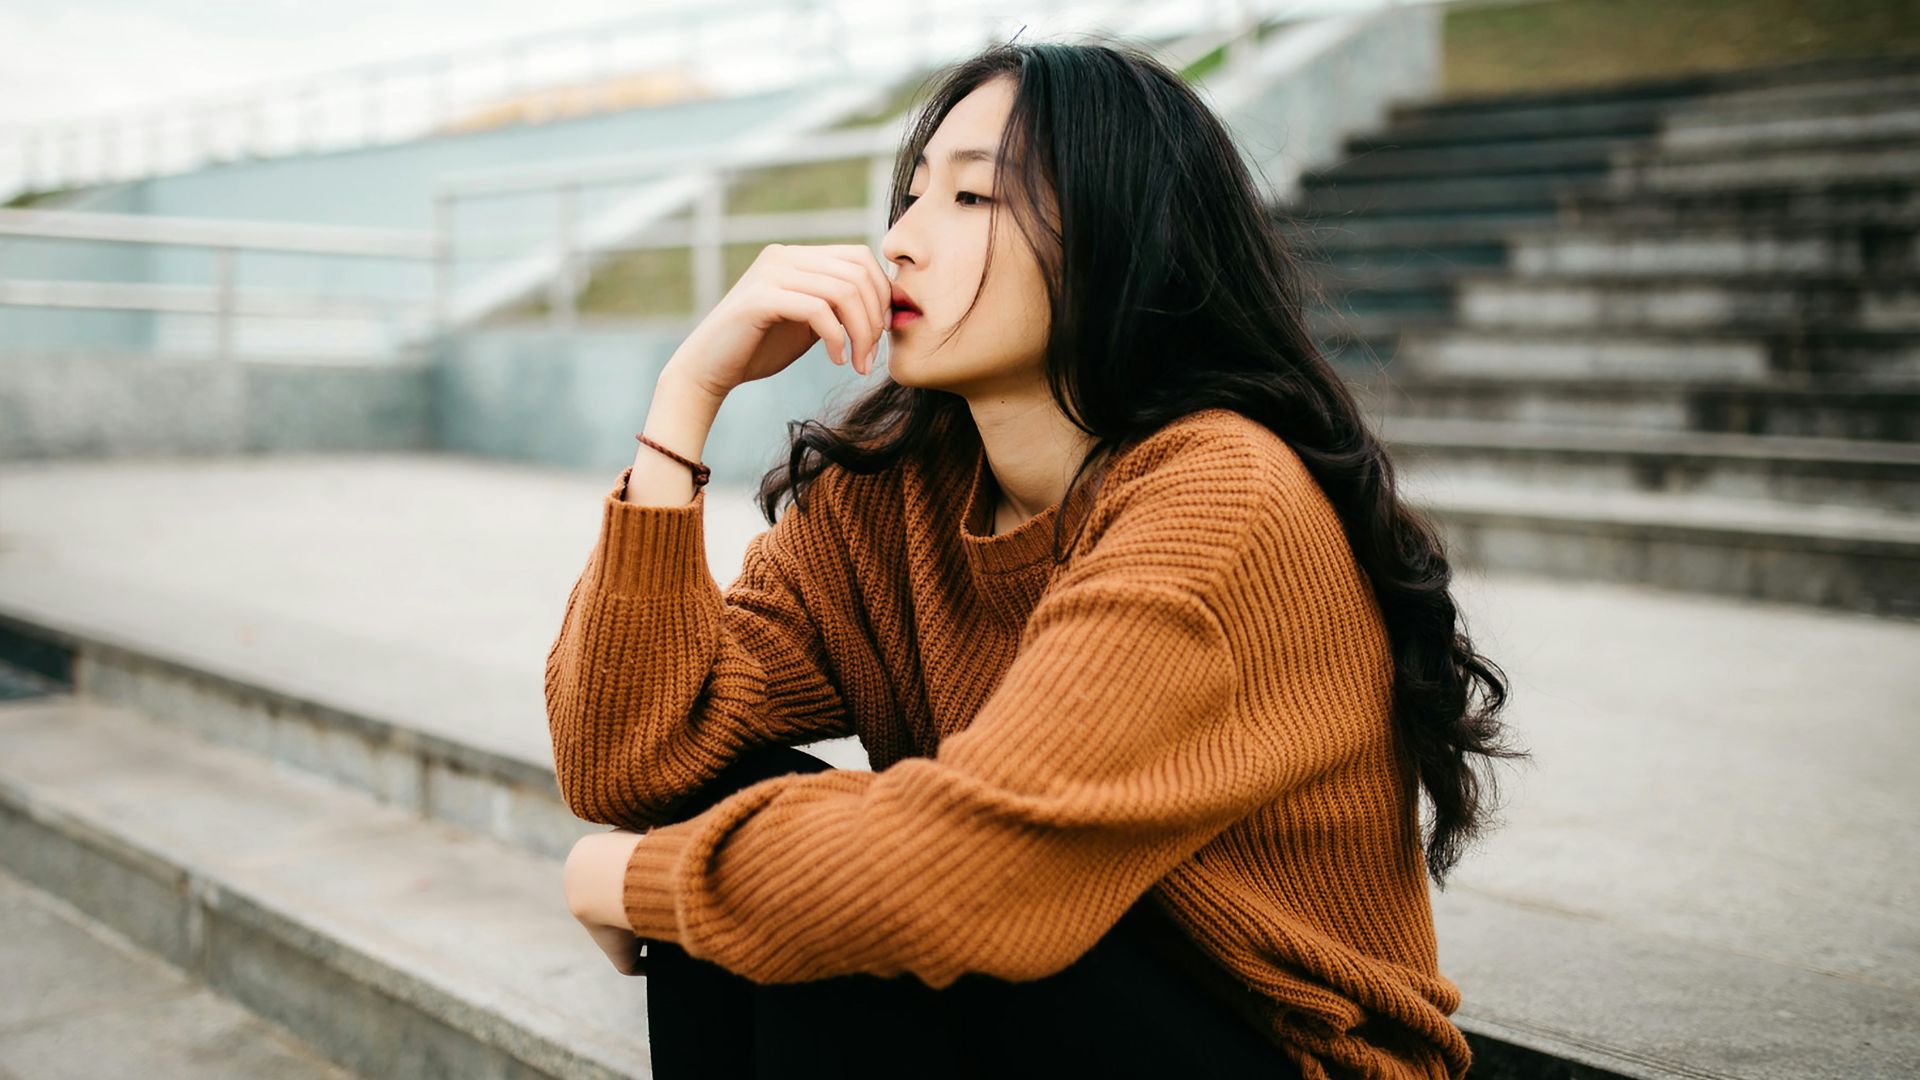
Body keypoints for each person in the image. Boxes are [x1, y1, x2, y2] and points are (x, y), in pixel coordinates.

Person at [549, 38, 1524, 1080]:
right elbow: (632, 758)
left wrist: (630, 882)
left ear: (1119, 239)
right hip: (1042, 1002)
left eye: (973, 200)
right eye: (912, 197)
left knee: (855, 901)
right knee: (758, 832)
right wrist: (683, 402)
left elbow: (969, 874)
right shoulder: (890, 494)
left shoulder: (1219, 495)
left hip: (1276, 1047)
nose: (903, 245)